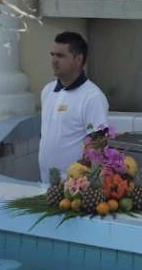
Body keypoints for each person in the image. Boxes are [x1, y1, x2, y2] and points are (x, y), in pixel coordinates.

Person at [39, 31, 110, 174]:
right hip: (46, 185)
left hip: (76, 190)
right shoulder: (47, 91)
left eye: (60, 56)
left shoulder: (92, 97)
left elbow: (98, 146)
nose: (54, 61)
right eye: (53, 55)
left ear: (78, 59)